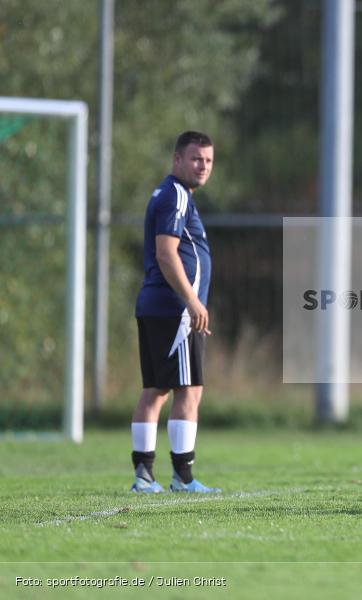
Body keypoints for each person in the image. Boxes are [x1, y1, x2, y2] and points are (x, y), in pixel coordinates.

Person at [130, 131, 220, 494]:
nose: (203, 166)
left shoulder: (169, 194)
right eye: (196, 158)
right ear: (177, 159)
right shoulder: (176, 196)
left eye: (209, 161)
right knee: (190, 389)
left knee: (156, 390)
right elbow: (167, 253)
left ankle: (143, 476)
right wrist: (192, 301)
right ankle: (182, 477)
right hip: (174, 311)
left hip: (157, 306)